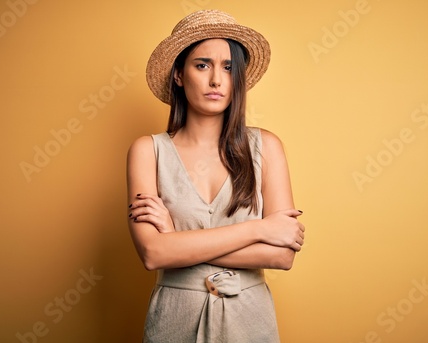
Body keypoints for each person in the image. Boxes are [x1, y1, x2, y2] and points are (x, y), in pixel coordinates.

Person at [127, 9, 305, 343]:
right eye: (202, 65)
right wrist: (261, 229)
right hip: (174, 320)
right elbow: (153, 254)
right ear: (179, 75)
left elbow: (281, 256)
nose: (216, 80)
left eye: (228, 67)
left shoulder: (267, 147)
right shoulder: (147, 151)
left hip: (249, 322)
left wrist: (175, 240)